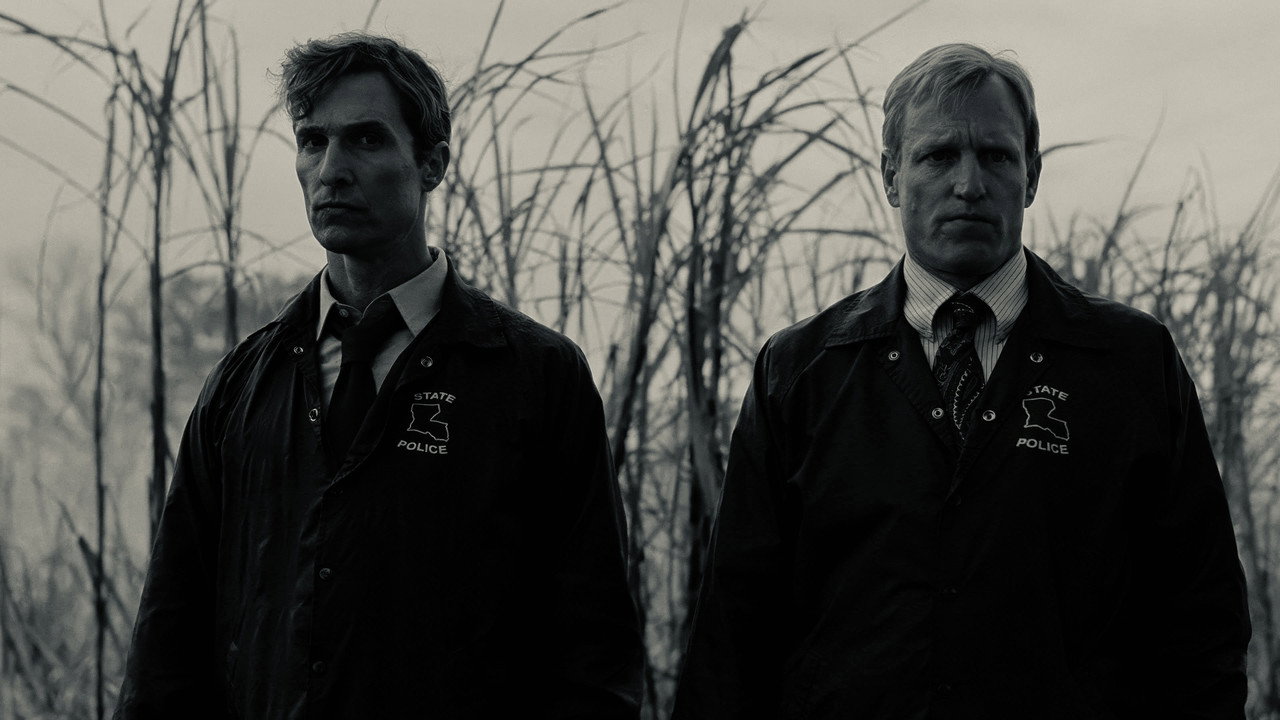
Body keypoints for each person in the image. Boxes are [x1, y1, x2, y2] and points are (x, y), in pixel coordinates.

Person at [673, 44, 1250, 719]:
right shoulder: (802, 371)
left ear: (1032, 175)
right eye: (939, 156)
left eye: (997, 156)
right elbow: (732, 642)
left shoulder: (1130, 363)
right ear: (891, 176)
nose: (969, 184)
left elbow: (1203, 625)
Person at [115, 33, 643, 719]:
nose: (332, 169)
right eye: (312, 142)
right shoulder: (244, 384)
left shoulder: (535, 377)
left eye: (366, 139)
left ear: (432, 163)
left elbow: (593, 652)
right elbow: (168, 643)